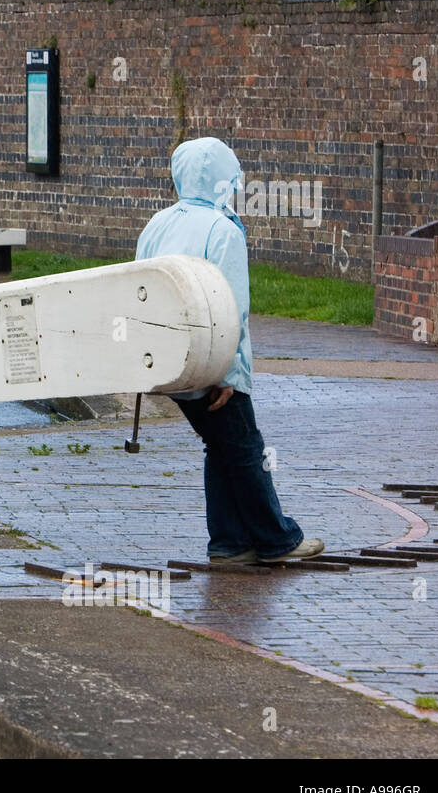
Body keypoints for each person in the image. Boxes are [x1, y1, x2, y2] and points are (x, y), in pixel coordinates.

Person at [136, 137, 324, 564]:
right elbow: (231, 305)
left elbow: (140, 290)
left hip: (169, 360)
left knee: (220, 446)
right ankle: (278, 539)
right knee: (245, 450)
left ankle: (229, 543)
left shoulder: (158, 224)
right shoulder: (223, 229)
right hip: (212, 361)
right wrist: (229, 373)